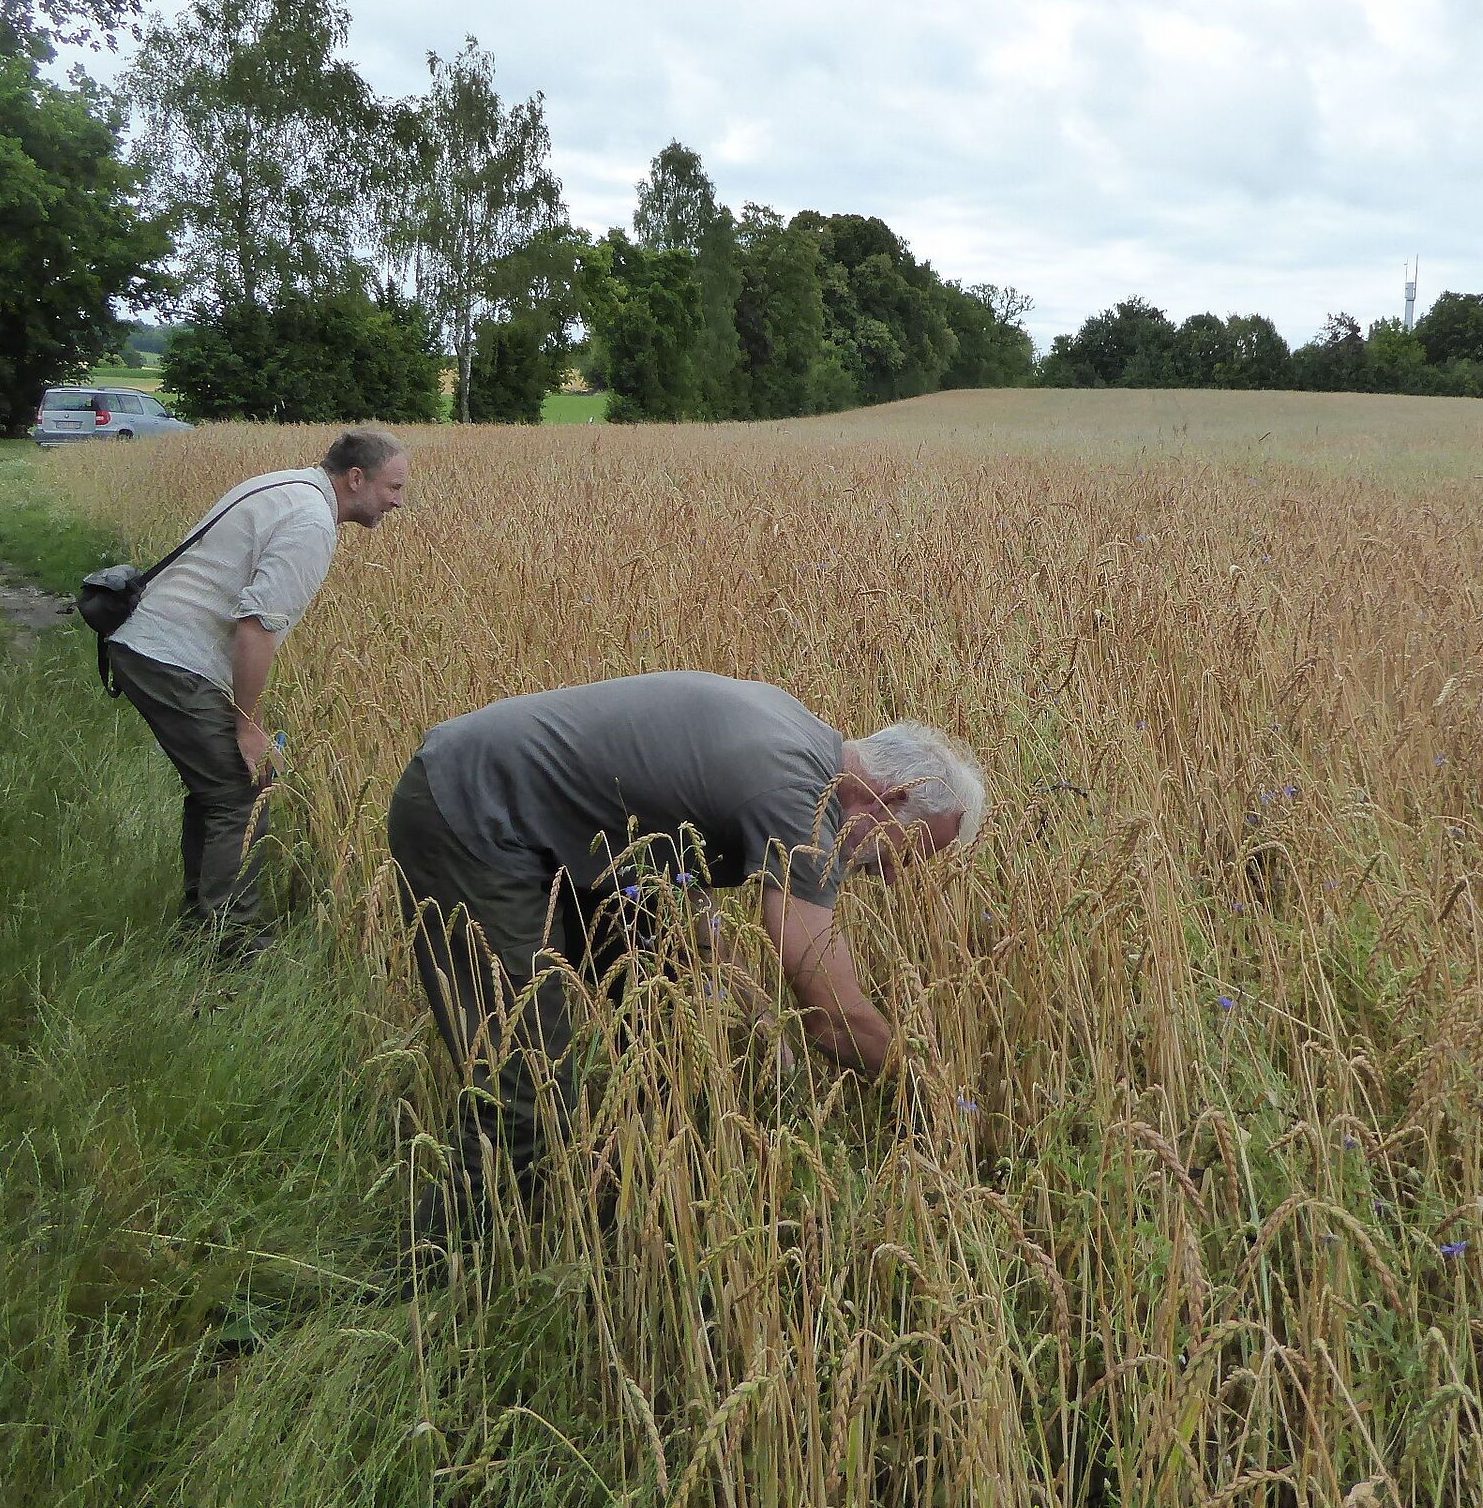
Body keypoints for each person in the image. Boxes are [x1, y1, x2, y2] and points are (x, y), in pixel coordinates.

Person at [388, 670, 985, 1230]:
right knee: (527, 1090)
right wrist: (935, 1100)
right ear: (894, 796)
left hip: (558, 831)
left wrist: (752, 1010)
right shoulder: (800, 798)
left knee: (668, 1014)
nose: (890, 878)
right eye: (908, 853)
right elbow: (834, 1016)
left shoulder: (800, 741)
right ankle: (428, 1280)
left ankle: (634, 1202)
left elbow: (676, 868)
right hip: (473, 815)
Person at [107, 428, 411, 954]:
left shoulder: (287, 486)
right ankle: (232, 940)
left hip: (152, 646)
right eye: (394, 487)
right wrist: (248, 724)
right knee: (240, 793)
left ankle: (202, 922)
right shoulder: (311, 521)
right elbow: (256, 627)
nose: (398, 502)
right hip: (173, 657)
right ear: (356, 479)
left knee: (217, 789)